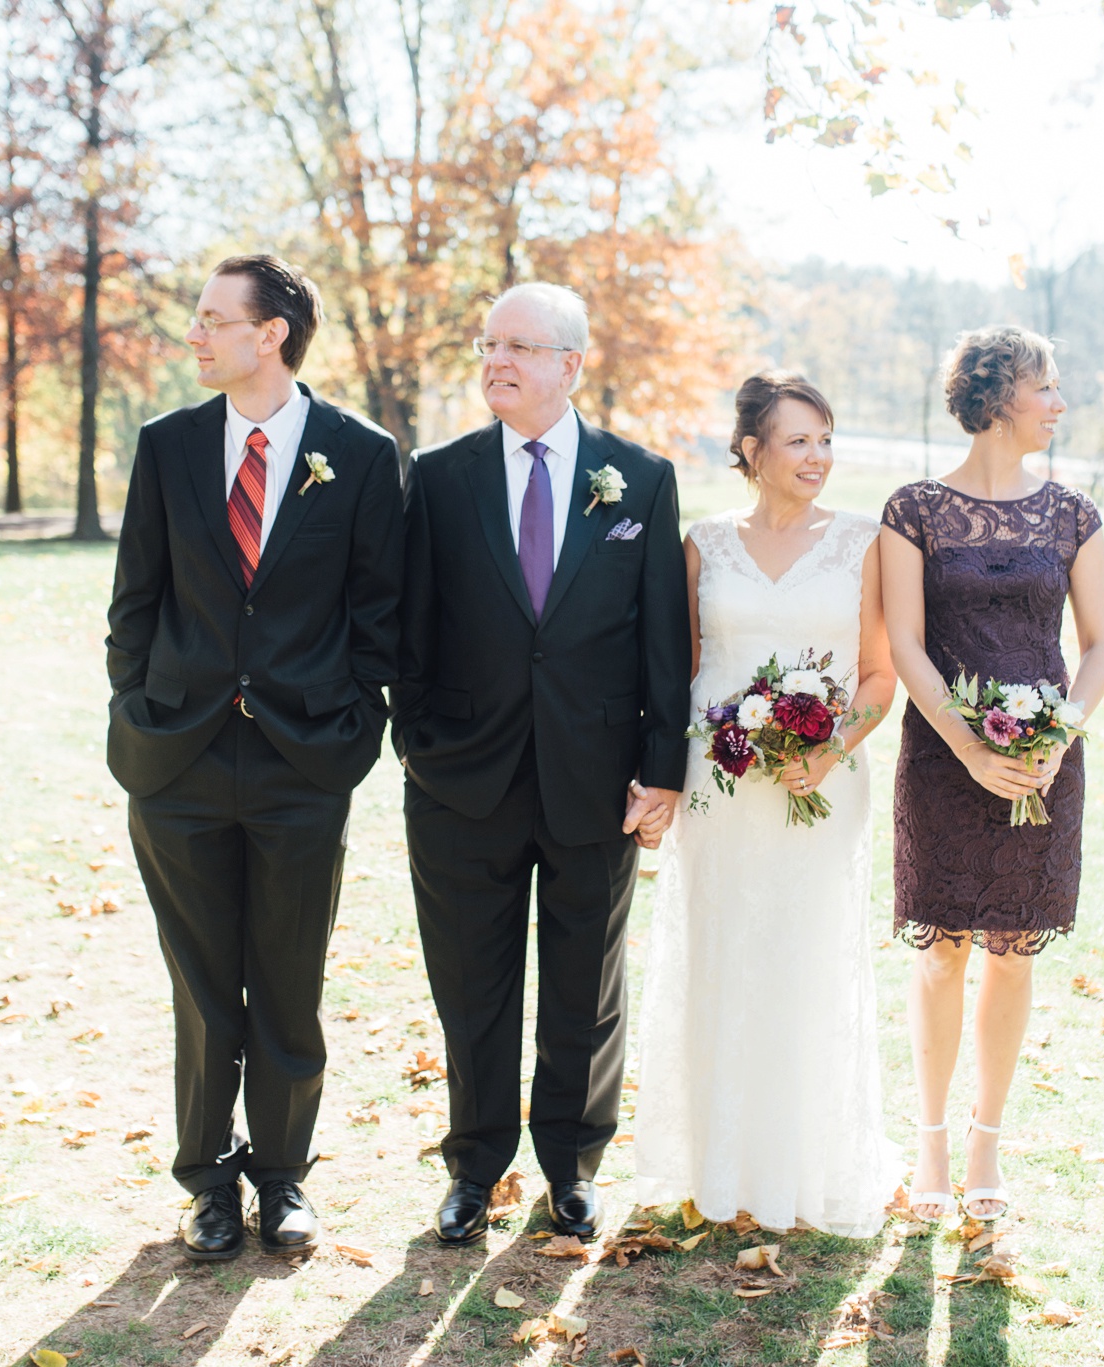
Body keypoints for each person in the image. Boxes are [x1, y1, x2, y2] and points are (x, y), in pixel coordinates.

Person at [104, 254, 404, 1260]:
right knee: (200, 984)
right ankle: (206, 1183)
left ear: (269, 333)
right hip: (178, 762)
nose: (193, 334)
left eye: (210, 318)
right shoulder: (167, 446)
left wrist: (347, 734)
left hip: (301, 764)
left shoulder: (358, 454)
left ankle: (281, 1180)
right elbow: (132, 604)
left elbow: (378, 616)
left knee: (287, 978)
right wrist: (142, 709)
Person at [395, 282, 691, 1245]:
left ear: (571, 363)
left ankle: (571, 1163)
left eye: (519, 345)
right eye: (487, 343)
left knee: (583, 983)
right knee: (472, 984)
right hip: (461, 783)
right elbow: (411, 632)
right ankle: (474, 1167)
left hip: (597, 785)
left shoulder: (637, 481)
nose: (497, 361)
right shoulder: (436, 478)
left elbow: (662, 640)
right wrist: (423, 747)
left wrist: (663, 768)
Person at [632, 373, 901, 1237]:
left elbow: (878, 675)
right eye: (798, 441)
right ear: (752, 450)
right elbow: (680, 662)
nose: (817, 457)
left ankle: (803, 1166)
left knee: (804, 957)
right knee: (719, 954)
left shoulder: (865, 541)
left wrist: (827, 749)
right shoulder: (704, 541)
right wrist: (667, 770)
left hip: (818, 788)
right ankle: (717, 1161)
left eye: (826, 439)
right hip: (718, 786)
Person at [879, 325, 1104, 1224]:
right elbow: (905, 642)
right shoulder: (915, 510)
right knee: (941, 955)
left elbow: (1100, 646)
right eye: (1046, 388)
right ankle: (930, 1142)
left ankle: (987, 1142)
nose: (1058, 404)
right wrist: (969, 746)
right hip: (944, 763)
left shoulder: (1073, 515)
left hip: (1044, 766)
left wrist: (1059, 739)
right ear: (998, 397)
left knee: (1014, 958)